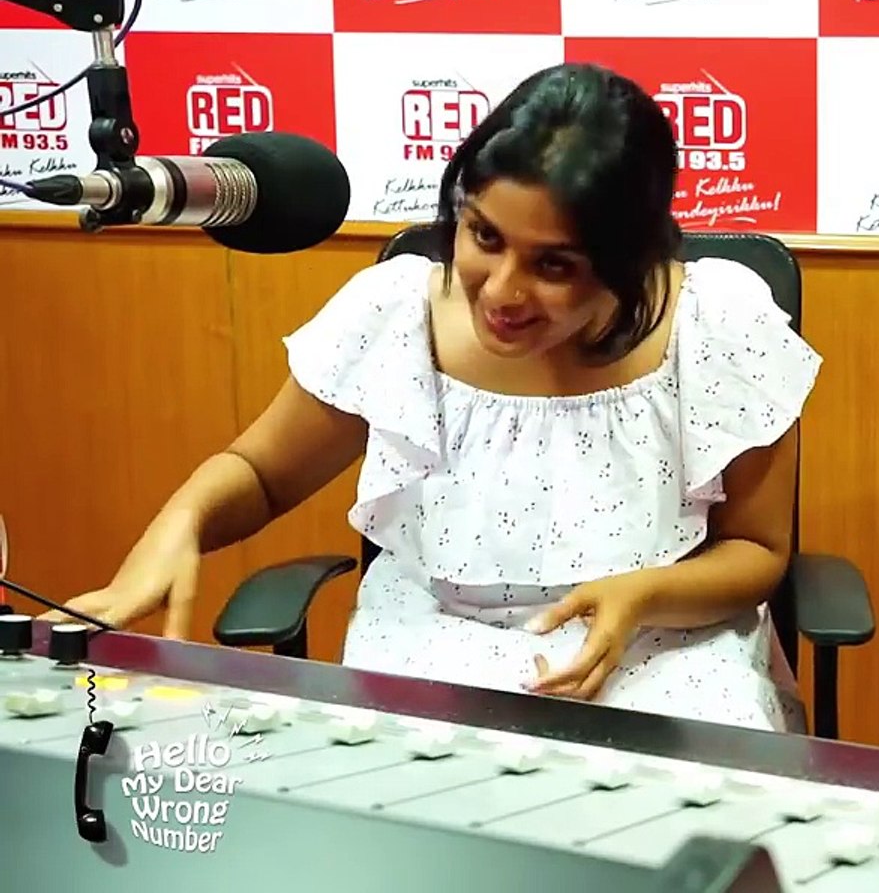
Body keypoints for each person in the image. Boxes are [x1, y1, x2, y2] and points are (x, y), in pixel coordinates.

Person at [50, 63, 822, 733]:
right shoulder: (395, 313)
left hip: (660, 649)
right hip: (433, 645)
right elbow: (260, 473)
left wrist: (642, 596)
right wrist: (181, 524)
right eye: (484, 237)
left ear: (629, 260)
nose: (503, 291)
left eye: (554, 266)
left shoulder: (717, 323)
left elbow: (757, 552)